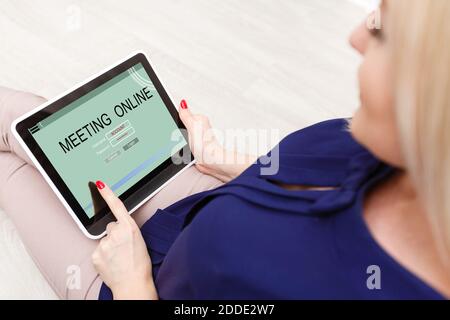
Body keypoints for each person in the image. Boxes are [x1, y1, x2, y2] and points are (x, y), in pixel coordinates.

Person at [1, 0, 450, 299]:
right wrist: (227, 163)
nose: (355, 36)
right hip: (203, 201)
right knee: (36, 127)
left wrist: (132, 281)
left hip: (140, 283)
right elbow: (308, 199)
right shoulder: (394, 151)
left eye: (385, 32)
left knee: (12, 167)